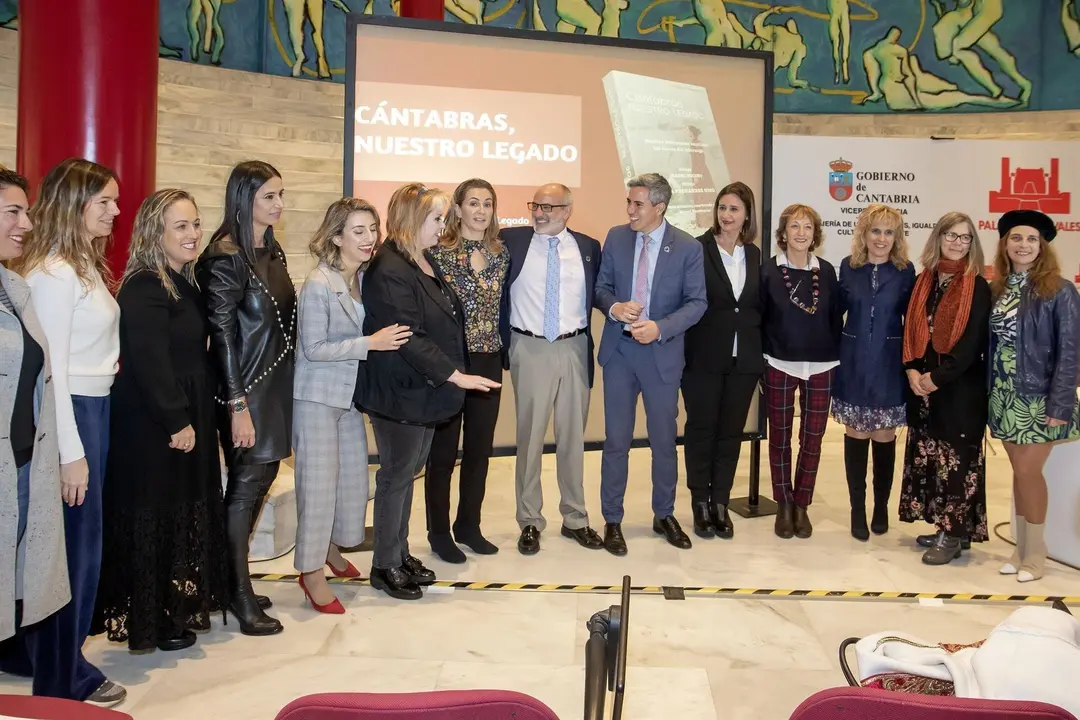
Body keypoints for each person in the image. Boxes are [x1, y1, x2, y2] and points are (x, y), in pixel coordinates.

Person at [6, 158, 126, 706]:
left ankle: (41, 655)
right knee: (71, 554)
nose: (115, 211)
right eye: (103, 202)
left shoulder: (77, 267)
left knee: (81, 548)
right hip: (70, 417)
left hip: (90, 408)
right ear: (73, 205)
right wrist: (71, 454)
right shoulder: (53, 273)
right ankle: (61, 674)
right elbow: (49, 372)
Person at [95, 189, 230, 651]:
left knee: (178, 515)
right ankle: (146, 620)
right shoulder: (145, 287)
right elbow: (150, 364)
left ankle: (171, 609)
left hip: (187, 414)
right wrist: (177, 421)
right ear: (156, 233)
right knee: (153, 516)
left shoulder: (183, 282)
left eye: (195, 224)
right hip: (154, 425)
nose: (193, 235)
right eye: (181, 226)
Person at [353, 183, 499, 600]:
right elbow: (409, 336)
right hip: (401, 393)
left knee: (407, 475)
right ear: (412, 220)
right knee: (396, 477)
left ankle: (398, 554)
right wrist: (456, 375)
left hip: (423, 392)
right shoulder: (389, 268)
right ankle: (384, 565)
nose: (444, 225)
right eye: (436, 219)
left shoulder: (420, 258)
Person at [293, 198, 410, 613]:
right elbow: (314, 348)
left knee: (351, 486)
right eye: (358, 231)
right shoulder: (318, 284)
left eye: (372, 229)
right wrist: (371, 343)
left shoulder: (360, 277)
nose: (369, 238)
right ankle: (309, 572)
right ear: (337, 236)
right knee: (319, 488)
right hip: (317, 398)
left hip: (347, 398)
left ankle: (330, 549)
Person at [197, 160, 295, 635]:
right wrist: (237, 405)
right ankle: (234, 593)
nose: (279, 205)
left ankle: (234, 580)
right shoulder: (225, 255)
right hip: (246, 393)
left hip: (273, 390)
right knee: (243, 491)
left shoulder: (269, 249)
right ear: (243, 199)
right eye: (269, 197)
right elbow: (221, 336)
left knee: (258, 484)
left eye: (281, 195)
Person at [595, 173, 707, 555]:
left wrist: (660, 327)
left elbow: (697, 303)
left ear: (659, 207)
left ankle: (664, 514)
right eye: (629, 202)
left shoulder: (688, 248)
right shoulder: (616, 237)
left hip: (661, 356)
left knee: (663, 442)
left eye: (637, 204)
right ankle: (612, 519)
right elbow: (600, 288)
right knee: (616, 441)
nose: (629, 210)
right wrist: (614, 307)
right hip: (620, 355)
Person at [499, 183, 605, 556]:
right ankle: (529, 520)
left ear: (566, 211)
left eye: (548, 207)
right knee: (529, 439)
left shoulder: (588, 248)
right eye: (535, 205)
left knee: (573, 438)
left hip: (574, 346)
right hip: (529, 346)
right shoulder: (510, 241)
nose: (539, 213)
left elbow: (599, 292)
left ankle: (575, 518)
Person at [0, 167, 70, 673]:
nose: (26, 222)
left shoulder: (14, 288)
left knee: (16, 568)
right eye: (13, 212)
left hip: (22, 461)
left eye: (26, 210)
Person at [988, 209, 1080, 582]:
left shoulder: (1060, 290)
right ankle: (1020, 547)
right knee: (1018, 473)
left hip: (1039, 396)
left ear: (1041, 246)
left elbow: (1071, 350)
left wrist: (1061, 402)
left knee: (1029, 472)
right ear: (1005, 244)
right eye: (1016, 238)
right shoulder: (999, 287)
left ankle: (1036, 553)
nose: (1022, 245)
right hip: (1004, 393)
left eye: (1030, 239)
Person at [899, 212, 991, 566]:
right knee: (935, 460)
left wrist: (935, 379)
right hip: (924, 388)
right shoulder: (925, 280)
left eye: (965, 237)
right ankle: (946, 525)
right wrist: (911, 371)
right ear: (937, 238)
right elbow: (910, 331)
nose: (956, 242)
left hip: (959, 390)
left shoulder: (977, 286)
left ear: (973, 244)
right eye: (950, 235)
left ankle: (953, 535)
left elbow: (970, 345)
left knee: (958, 462)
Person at [425, 179, 508, 563]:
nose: (480, 210)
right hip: (450, 363)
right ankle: (439, 533)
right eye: (472, 203)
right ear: (457, 209)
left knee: (479, 449)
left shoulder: (501, 253)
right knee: (442, 453)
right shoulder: (438, 254)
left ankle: (468, 526)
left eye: (487, 203)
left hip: (489, 361)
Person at [682, 182, 763, 539]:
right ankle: (700, 503)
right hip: (703, 357)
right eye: (723, 208)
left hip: (743, 360)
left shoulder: (755, 255)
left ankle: (720, 503)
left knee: (731, 434)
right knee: (702, 430)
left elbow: (755, 306)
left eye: (734, 209)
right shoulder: (697, 249)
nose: (727, 215)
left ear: (747, 215)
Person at [832, 204, 916, 541]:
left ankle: (881, 506)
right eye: (875, 231)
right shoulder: (848, 268)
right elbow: (833, 312)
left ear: (896, 238)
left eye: (888, 232)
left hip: (889, 364)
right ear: (863, 234)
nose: (881, 238)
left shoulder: (905, 270)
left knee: (883, 437)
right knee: (856, 436)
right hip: (852, 363)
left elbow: (913, 323)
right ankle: (857, 510)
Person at [760, 203, 843, 540]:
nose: (801, 233)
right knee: (779, 438)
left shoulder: (826, 271)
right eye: (794, 226)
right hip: (779, 361)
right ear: (783, 233)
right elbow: (760, 319)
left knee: (812, 439)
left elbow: (835, 317)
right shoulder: (768, 271)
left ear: (815, 235)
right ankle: (783, 504)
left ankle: (802, 504)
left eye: (807, 227)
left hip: (822, 364)